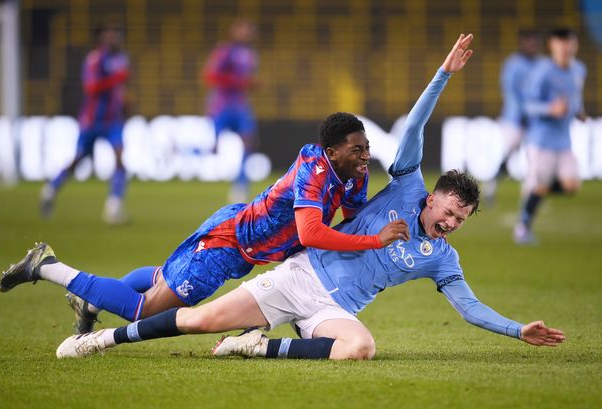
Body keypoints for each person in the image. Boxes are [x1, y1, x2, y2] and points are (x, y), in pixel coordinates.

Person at [51, 34, 565, 360]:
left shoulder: (443, 260)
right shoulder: (406, 183)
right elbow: (414, 127)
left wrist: (518, 330)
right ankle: (99, 340)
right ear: (432, 198)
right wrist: (442, 75)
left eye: (462, 219)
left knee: (359, 347)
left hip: (331, 308)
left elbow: (470, 308)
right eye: (450, 211)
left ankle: (255, 348)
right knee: (193, 318)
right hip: (301, 271)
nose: (452, 223)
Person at [0, 113, 408, 333]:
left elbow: (351, 220)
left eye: (367, 147)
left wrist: (397, 206)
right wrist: (376, 241)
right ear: (331, 151)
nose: (365, 154)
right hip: (226, 245)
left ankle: (90, 301)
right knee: (146, 311)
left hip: (239, 244)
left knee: (164, 277)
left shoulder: (354, 174)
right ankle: (48, 267)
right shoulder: (314, 168)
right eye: (357, 149)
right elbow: (311, 233)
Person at [40, 24, 130, 224]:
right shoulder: (95, 59)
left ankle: (113, 207)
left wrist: (123, 102)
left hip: (112, 120)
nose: (115, 38)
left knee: (120, 158)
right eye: (110, 34)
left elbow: (118, 88)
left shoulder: (121, 58)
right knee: (78, 160)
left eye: (116, 34)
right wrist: (115, 79)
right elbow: (91, 87)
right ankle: (50, 189)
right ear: (102, 39)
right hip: (92, 120)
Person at [513, 28, 587, 245]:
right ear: (552, 46)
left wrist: (579, 111)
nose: (566, 48)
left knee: (571, 185)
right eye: (562, 43)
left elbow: (575, 95)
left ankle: (535, 188)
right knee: (541, 185)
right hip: (541, 141)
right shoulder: (542, 72)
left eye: (570, 43)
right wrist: (549, 109)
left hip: (564, 141)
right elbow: (527, 106)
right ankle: (523, 227)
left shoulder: (579, 69)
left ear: (575, 45)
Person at [483, 30, 542, 204]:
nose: (532, 45)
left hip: (535, 120)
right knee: (509, 157)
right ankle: (490, 185)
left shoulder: (542, 64)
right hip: (514, 119)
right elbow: (510, 92)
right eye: (528, 41)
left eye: (534, 41)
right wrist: (522, 112)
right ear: (522, 43)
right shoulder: (514, 64)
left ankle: (530, 196)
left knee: (535, 157)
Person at [203, 19, 259, 203]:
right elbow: (211, 75)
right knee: (215, 144)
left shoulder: (251, 54)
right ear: (234, 32)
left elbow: (247, 80)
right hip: (222, 104)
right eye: (242, 29)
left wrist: (252, 84)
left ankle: (240, 186)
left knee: (248, 142)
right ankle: (207, 169)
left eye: (248, 30)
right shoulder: (225, 50)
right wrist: (240, 82)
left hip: (240, 104)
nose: (246, 33)